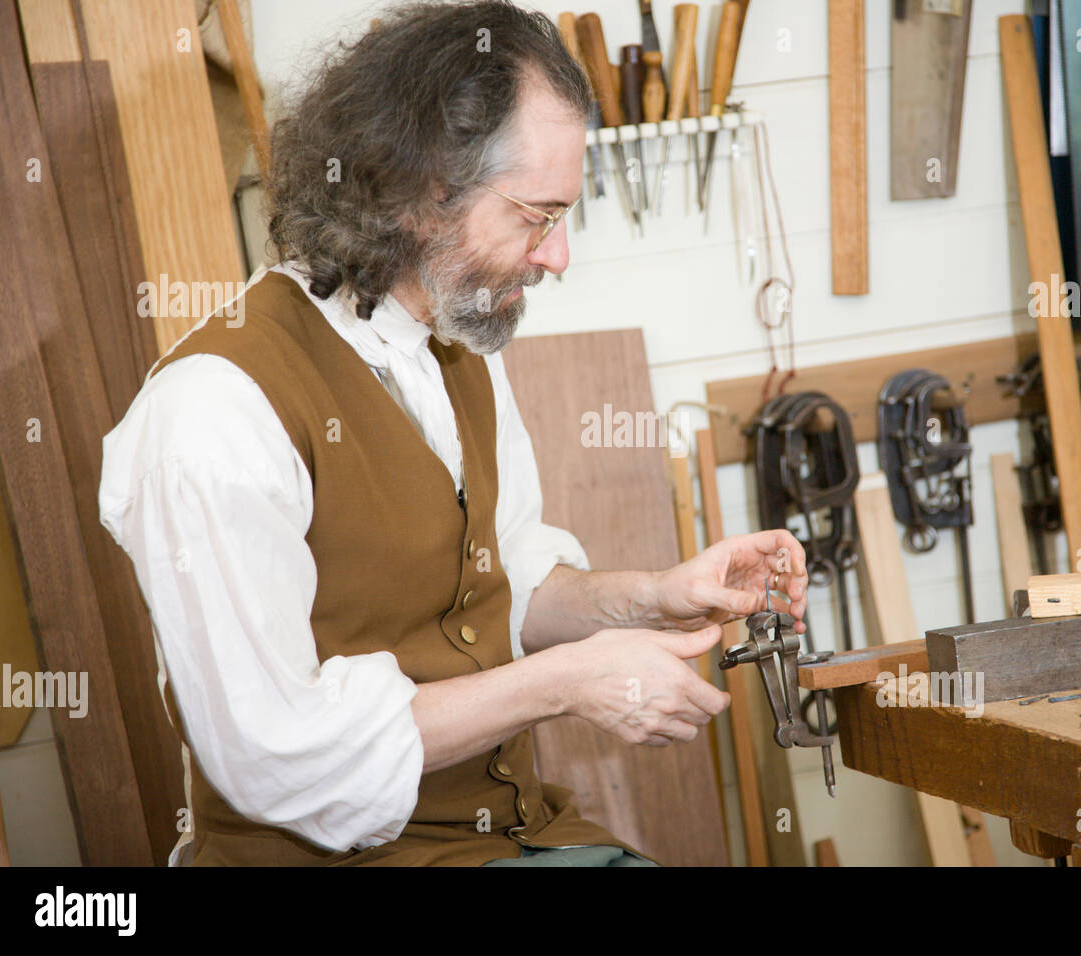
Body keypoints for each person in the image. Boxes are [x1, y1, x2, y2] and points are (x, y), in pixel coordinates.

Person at [99, 0, 808, 867]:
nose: (558, 257)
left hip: (507, 836)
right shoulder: (214, 411)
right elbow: (272, 758)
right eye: (536, 216)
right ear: (425, 194)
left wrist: (653, 597)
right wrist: (567, 684)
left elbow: (508, 587)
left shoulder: (455, 342)